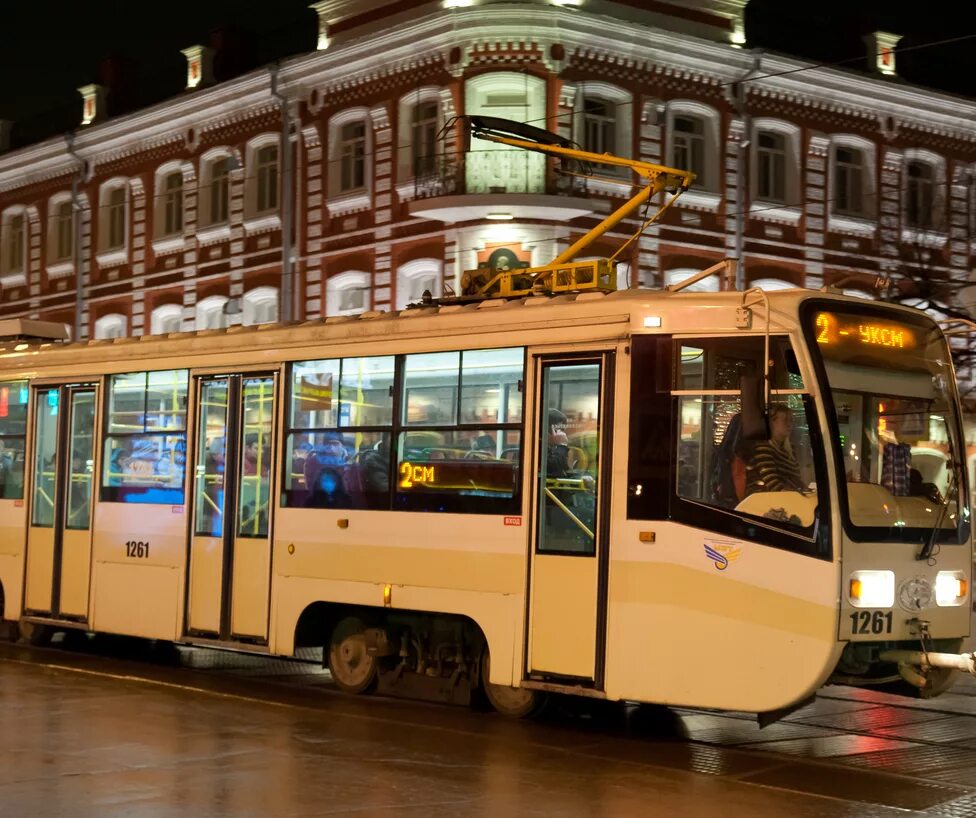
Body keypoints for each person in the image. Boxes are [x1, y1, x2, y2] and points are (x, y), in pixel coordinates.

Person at [746, 404, 804, 494]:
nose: (789, 424)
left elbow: (797, 479)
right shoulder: (764, 448)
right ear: (772, 422)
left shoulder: (790, 450)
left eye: (791, 420)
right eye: (785, 420)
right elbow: (772, 484)